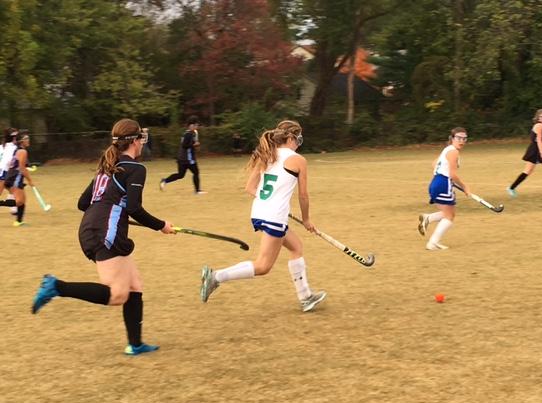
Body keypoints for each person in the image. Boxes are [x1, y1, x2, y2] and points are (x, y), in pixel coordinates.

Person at [31, 118, 175, 356]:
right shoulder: (136, 168)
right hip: (105, 232)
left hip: (94, 226)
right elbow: (135, 208)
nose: (142, 144)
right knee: (117, 294)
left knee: (134, 286)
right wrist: (161, 225)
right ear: (135, 141)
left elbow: (83, 203)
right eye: (140, 138)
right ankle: (56, 286)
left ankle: (136, 344)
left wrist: (114, 210)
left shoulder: (108, 166)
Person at [200, 120, 326, 312]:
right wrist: (306, 219)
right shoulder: (298, 160)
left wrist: (274, 202)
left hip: (260, 212)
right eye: (298, 139)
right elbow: (303, 195)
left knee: (296, 247)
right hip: (274, 216)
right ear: (291, 137)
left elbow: (250, 188)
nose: (298, 144)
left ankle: (306, 296)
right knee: (263, 266)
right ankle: (215, 277)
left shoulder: (268, 155)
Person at [417, 127, 471, 250]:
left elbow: (433, 164)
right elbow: (452, 174)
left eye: (464, 138)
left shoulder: (447, 149)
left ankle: (427, 218)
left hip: (436, 182)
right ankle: (433, 243)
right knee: (449, 216)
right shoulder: (454, 152)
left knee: (449, 213)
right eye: (459, 138)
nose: (462, 141)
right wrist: (465, 187)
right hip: (443, 183)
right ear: (452, 138)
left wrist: (446, 177)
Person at [507, 108, 542, 197]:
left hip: (536, 149)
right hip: (534, 150)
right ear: (538, 117)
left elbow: (538, 141)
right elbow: (539, 140)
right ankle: (511, 188)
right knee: (527, 171)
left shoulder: (539, 125)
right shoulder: (540, 125)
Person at [159, 115, 206, 194]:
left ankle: (164, 181)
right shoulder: (189, 134)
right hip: (187, 159)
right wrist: (194, 145)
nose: (197, 126)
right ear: (191, 125)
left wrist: (195, 146)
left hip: (182, 158)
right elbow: (184, 145)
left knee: (180, 175)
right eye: (196, 125)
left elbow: (189, 144)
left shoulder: (190, 133)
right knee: (196, 172)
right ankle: (197, 191)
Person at [3, 130, 35, 226]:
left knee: (22, 200)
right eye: (26, 139)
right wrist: (30, 180)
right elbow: (21, 167)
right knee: (19, 201)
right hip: (14, 178)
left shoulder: (19, 150)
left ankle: (18, 221)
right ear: (21, 141)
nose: (28, 140)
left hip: (14, 177)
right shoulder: (22, 151)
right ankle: (18, 221)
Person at [0, 128, 18, 209]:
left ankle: (13, 208)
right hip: (3, 172)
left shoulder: (12, 147)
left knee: (13, 190)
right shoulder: (13, 148)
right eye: (16, 136)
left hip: (8, 172)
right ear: (13, 137)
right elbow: (8, 162)